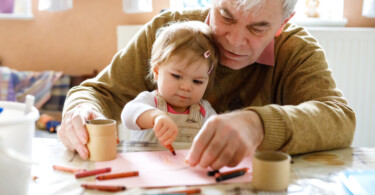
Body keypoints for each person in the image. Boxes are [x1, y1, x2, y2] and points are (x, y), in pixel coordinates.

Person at [58, 0, 356, 170]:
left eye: (258, 27)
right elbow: (98, 91)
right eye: (226, 16)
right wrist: (81, 110)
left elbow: (339, 119)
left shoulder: (296, 51)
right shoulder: (170, 33)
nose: (235, 41)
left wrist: (259, 124)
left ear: (282, 24)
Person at [120, 21, 218, 146]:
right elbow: (128, 115)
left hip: (188, 165)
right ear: (156, 71)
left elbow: (218, 133)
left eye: (197, 81)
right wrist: (155, 117)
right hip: (150, 165)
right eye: (177, 76)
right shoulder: (150, 101)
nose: (186, 87)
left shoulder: (204, 111)